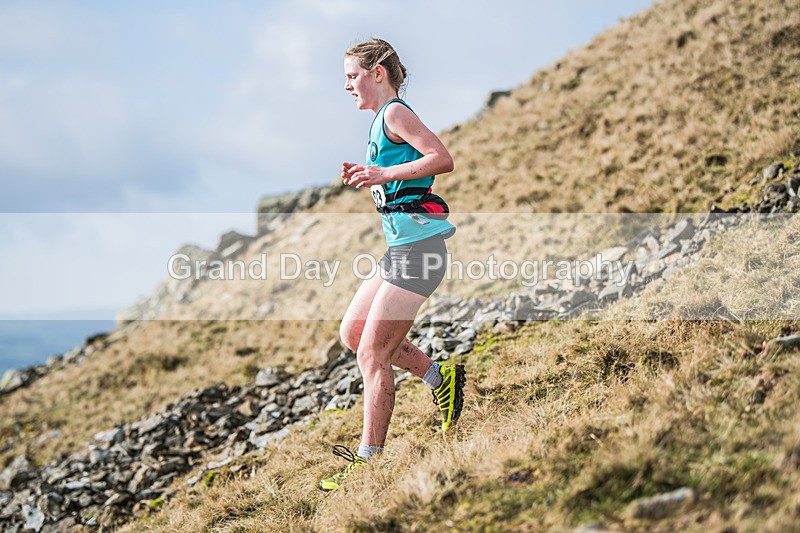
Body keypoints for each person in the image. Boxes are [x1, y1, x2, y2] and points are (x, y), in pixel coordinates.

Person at [318, 38, 465, 492]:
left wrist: (382, 174)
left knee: (372, 354)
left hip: (420, 253)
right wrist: (370, 175)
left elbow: (442, 159)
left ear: (377, 73)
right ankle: (440, 378)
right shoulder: (380, 121)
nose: (347, 86)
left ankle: (369, 461)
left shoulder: (396, 113)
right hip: (400, 252)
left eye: (352, 76)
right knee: (353, 334)